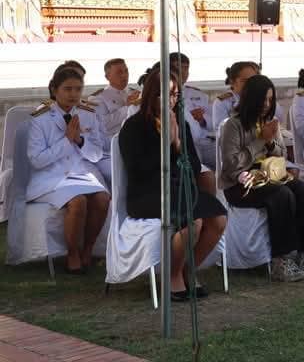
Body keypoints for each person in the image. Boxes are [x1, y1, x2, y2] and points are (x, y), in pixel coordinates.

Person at [119, 69, 227, 300]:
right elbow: (138, 169)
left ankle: (189, 268)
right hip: (147, 192)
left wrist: (178, 143)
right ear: (151, 95)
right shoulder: (133, 126)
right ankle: (172, 275)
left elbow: (195, 167)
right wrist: (165, 144)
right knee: (193, 222)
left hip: (178, 187)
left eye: (175, 95)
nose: (170, 100)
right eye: (164, 94)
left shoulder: (181, 124)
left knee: (218, 219)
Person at [219, 75, 304, 283]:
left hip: (270, 176)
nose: (266, 105)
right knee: (281, 195)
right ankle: (280, 259)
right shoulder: (233, 125)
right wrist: (260, 141)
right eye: (263, 100)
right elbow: (231, 164)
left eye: (270, 100)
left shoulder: (268, 122)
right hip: (241, 182)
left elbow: (281, 155)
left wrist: (271, 142)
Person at [27, 67, 111, 274]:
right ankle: (73, 253)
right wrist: (66, 141)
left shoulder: (87, 114)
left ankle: (88, 249)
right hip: (51, 177)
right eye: (68, 89)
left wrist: (80, 140)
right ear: (55, 90)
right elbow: (37, 160)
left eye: (78, 89)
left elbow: (96, 154)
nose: (74, 94)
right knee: (78, 201)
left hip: (80, 174)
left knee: (102, 199)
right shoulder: (40, 118)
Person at [210, 61, 259, 146]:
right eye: (244, 81)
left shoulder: (262, 99)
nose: (250, 84)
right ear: (232, 81)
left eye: (253, 80)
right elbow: (222, 133)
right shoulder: (222, 103)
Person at [91, 58, 141, 137]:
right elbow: (103, 124)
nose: (124, 75)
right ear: (107, 76)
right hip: (112, 143)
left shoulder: (136, 94)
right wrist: (128, 107)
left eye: (126, 71)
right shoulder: (98, 98)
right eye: (119, 72)